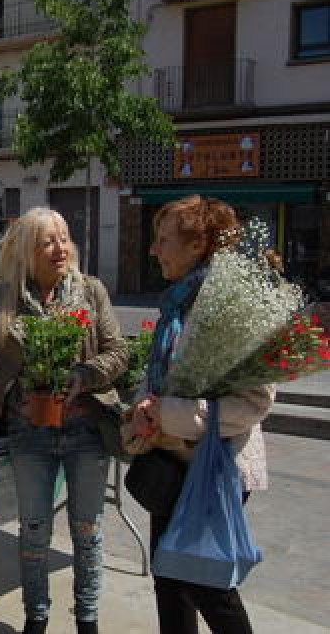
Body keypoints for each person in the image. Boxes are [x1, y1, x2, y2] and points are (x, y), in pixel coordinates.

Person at [0, 207, 128, 634]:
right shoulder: (2, 297)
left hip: (86, 431)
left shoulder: (91, 293)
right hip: (27, 434)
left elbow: (119, 351)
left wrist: (85, 375)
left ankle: (87, 621)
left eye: (64, 237)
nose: (61, 248)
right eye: (48, 241)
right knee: (34, 531)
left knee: (87, 531)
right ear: (26, 251)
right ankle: (36, 618)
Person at [130, 195, 274, 634]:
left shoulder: (231, 306)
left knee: (207, 585)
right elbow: (160, 377)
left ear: (197, 247)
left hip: (215, 467)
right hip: (170, 462)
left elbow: (254, 402)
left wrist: (167, 414)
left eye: (163, 240)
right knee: (169, 580)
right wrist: (141, 407)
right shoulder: (177, 302)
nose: (153, 249)